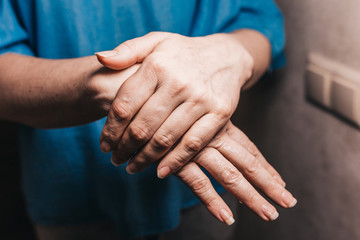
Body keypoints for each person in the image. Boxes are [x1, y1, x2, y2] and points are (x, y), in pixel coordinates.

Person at [0, 0, 296, 239]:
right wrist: (137, 87)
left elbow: (259, 20)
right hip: (72, 188)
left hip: (206, 179)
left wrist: (231, 54)